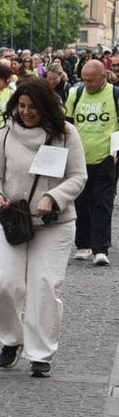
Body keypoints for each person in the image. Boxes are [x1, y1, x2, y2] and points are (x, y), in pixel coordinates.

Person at [0, 77, 87, 378]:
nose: (26, 112)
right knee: (5, 283)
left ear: (46, 107)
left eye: (33, 107)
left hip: (54, 224)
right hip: (13, 219)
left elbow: (78, 177)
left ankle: (40, 353)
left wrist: (54, 197)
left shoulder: (66, 134)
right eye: (22, 106)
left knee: (44, 286)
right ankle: (12, 339)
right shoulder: (4, 134)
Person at [65, 59, 118, 266]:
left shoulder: (115, 95)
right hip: (79, 157)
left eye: (91, 80)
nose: (87, 84)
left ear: (103, 77)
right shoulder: (75, 94)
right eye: (84, 80)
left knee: (102, 202)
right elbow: (67, 124)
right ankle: (83, 244)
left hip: (106, 156)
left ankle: (101, 248)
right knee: (80, 202)